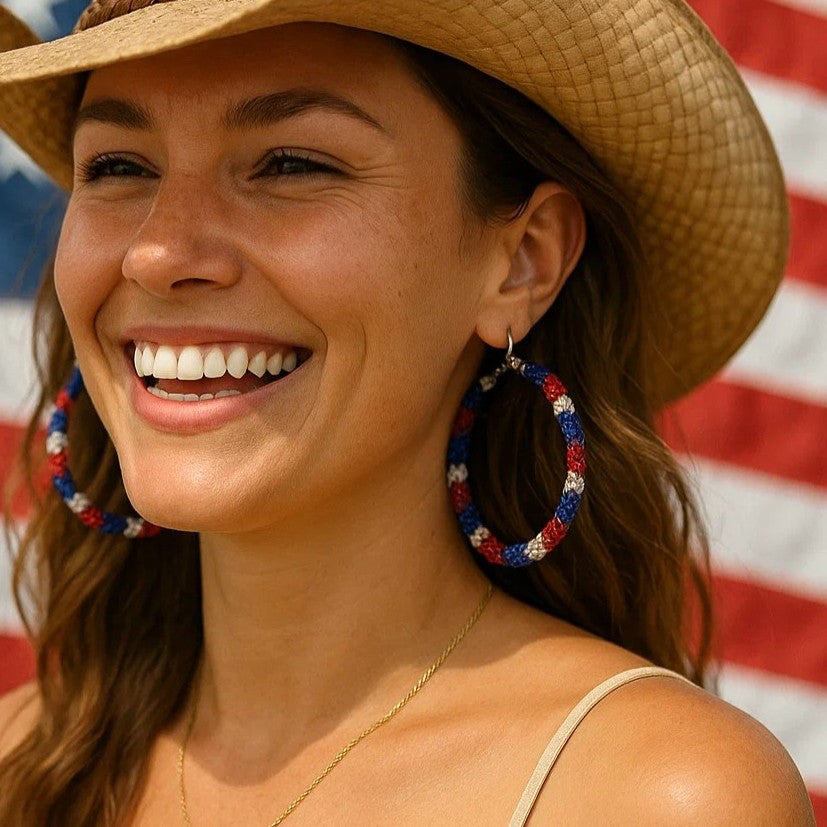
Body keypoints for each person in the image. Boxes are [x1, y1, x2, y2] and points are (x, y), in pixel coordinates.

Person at [0, 0, 816, 824]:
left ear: (521, 263)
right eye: (116, 167)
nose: (159, 252)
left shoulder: (656, 795)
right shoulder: (16, 758)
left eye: (289, 163)